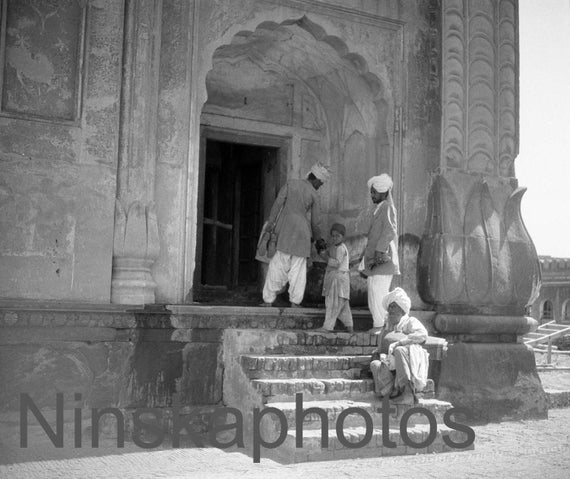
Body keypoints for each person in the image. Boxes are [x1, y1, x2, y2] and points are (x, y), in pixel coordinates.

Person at [260, 163, 330, 307]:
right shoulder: (314, 194)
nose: (319, 186)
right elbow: (316, 222)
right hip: (302, 235)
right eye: (320, 184)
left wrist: (270, 226)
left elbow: (277, 205)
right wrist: (318, 239)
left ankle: (268, 301)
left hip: (285, 231)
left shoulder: (290, 184)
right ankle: (295, 303)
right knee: (298, 271)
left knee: (277, 266)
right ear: (316, 179)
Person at [369, 288, 429, 405]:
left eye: (393, 307)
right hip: (390, 363)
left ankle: (407, 393)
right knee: (375, 364)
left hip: (408, 359)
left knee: (399, 350)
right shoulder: (387, 327)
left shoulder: (410, 321)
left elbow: (422, 334)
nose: (390, 310)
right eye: (389, 307)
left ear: (402, 310)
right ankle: (391, 393)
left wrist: (400, 343)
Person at [360, 173, 399, 334]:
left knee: (379, 292)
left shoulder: (387, 208)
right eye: (371, 192)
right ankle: (379, 324)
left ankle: (381, 326)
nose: (372, 195)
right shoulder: (379, 209)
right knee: (373, 291)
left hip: (382, 258)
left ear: (383, 193)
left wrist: (379, 251)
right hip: (375, 259)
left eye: (374, 192)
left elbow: (390, 230)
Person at [315, 223, 353, 333]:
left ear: (343, 237)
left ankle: (327, 327)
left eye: (338, 236)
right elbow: (328, 255)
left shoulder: (341, 248)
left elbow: (336, 263)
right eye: (333, 236)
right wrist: (322, 251)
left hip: (338, 281)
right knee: (344, 306)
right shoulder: (335, 247)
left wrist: (325, 257)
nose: (335, 238)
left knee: (332, 304)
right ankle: (350, 327)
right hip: (340, 280)